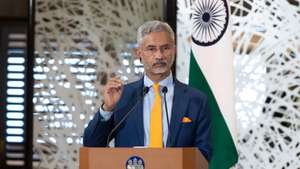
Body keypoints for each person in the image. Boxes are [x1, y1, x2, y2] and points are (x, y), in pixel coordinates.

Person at [83, 20, 212, 161]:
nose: (159, 56)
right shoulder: (123, 96)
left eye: (165, 48)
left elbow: (204, 154)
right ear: (139, 53)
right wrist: (107, 109)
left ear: (174, 50)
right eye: (151, 49)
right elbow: (92, 145)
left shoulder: (196, 100)